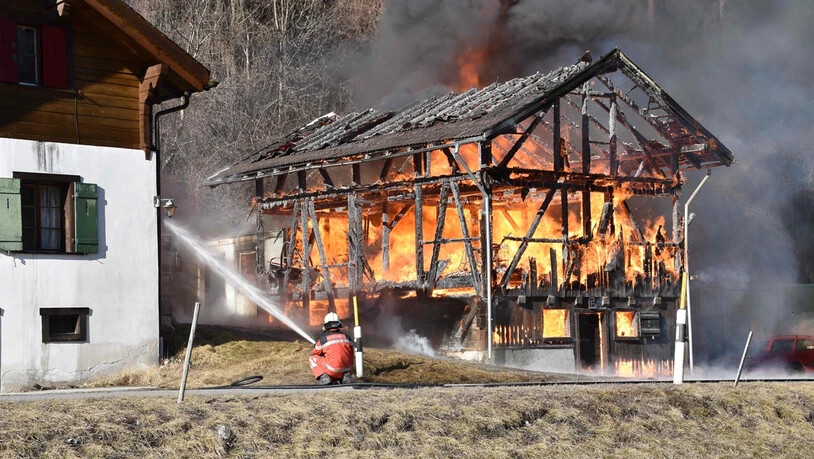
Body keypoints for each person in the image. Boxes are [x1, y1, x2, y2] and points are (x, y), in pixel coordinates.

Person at [309, 312, 355, 385]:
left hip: (332, 370)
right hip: (346, 370)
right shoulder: (347, 337)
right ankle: (345, 377)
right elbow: (351, 354)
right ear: (339, 324)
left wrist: (316, 346)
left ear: (325, 325)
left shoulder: (323, 339)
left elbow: (315, 352)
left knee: (312, 358)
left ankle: (324, 377)